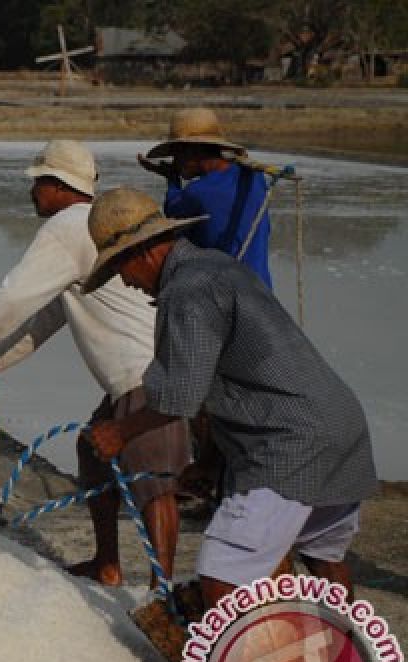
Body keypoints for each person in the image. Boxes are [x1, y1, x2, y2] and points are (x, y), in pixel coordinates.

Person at [82, 187, 376, 613]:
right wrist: (209, 464)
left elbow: (179, 396)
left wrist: (121, 431)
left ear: (141, 253)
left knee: (222, 572)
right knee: (322, 555)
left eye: (121, 271)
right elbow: (232, 380)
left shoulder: (187, 290)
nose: (126, 283)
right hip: (339, 424)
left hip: (289, 444)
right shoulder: (218, 266)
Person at [0, 140, 189, 589]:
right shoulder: (89, 228)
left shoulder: (69, 225)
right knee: (92, 450)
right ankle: (108, 564)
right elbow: (50, 315)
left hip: (147, 370)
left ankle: (163, 590)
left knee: (153, 484)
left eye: (38, 183)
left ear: (58, 186)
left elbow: (16, 296)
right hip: (137, 372)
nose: (33, 193)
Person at [138, 107, 272, 288]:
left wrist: (172, 180)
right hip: (263, 291)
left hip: (229, 295)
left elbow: (173, 214)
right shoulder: (254, 177)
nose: (176, 162)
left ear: (193, 152)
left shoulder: (198, 192)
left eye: (177, 155)